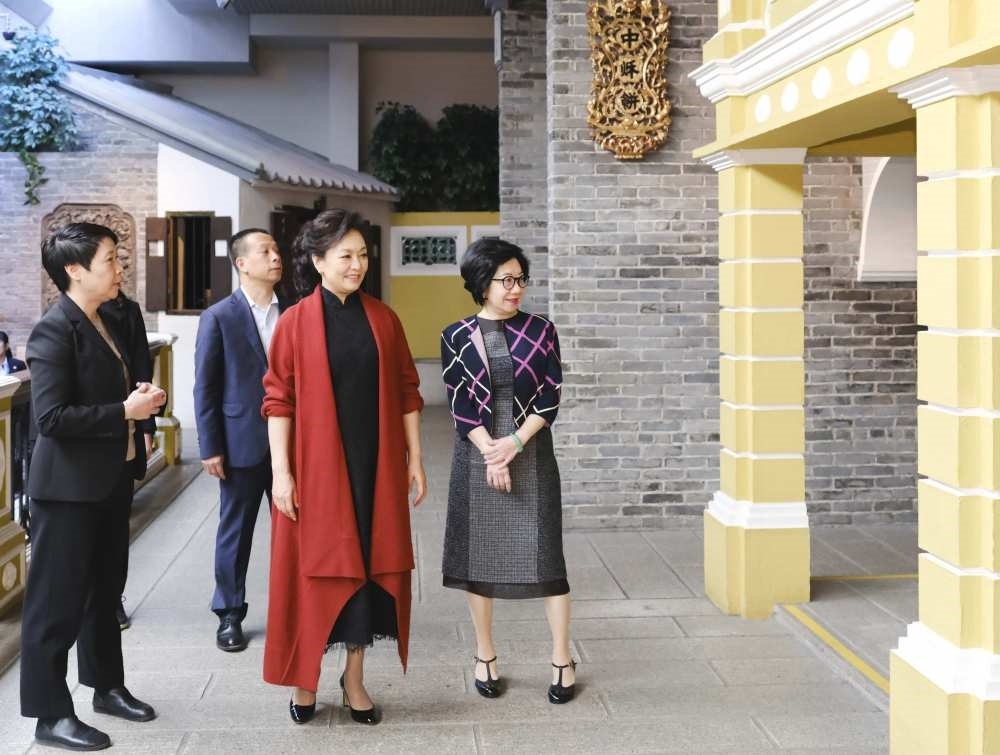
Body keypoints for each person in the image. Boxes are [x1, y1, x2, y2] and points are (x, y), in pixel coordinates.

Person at [262, 208, 426, 726]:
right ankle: (304, 679)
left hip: (374, 469)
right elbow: (278, 401)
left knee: (368, 573)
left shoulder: (384, 319)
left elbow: (407, 391)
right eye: (345, 256)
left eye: (362, 255)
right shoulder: (294, 323)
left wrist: (416, 459)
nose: (357, 265)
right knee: (312, 574)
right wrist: (281, 473)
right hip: (315, 472)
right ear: (318, 261)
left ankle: (354, 678)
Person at [21, 222, 166, 751]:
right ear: (75, 271)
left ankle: (107, 687)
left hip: (109, 479)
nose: (119, 267)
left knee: (105, 592)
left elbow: (110, 392)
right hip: (66, 491)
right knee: (55, 604)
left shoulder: (105, 319)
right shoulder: (54, 330)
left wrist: (140, 401)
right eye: (109, 259)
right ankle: (50, 715)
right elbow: (52, 417)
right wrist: (123, 411)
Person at [440, 238, 575, 704]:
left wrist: (513, 444)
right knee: (479, 560)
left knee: (548, 560)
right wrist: (491, 454)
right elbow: (459, 405)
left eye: (520, 279)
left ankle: (562, 658)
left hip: (532, 453)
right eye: (506, 280)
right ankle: (485, 654)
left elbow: (551, 395)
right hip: (477, 456)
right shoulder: (456, 335)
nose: (516, 288)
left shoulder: (542, 330)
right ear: (482, 284)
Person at [194, 228, 287, 652]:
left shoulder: (294, 312)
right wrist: (210, 446)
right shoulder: (219, 317)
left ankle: (295, 609)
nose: (275, 257)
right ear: (242, 263)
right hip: (240, 443)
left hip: (291, 444)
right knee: (236, 531)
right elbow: (205, 386)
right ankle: (229, 613)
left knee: (294, 529)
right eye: (265, 251)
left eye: (275, 250)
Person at [99, 292, 156, 631]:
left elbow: (141, 366)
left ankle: (113, 599)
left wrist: (147, 427)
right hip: (89, 438)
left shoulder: (128, 310)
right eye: (111, 265)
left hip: (128, 431)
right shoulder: (68, 316)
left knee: (118, 528)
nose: (118, 271)